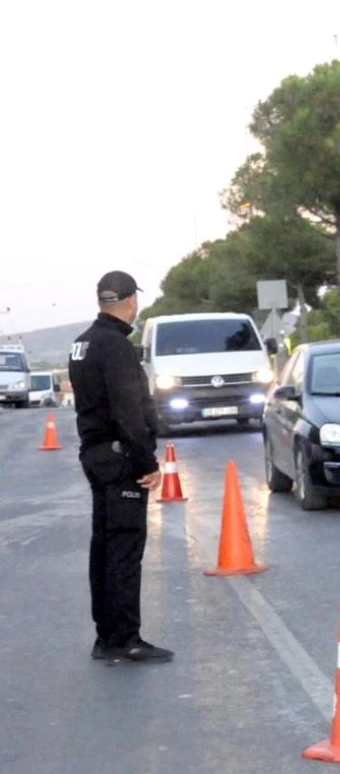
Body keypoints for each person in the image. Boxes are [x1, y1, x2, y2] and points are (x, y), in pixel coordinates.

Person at [70, 271, 174, 664]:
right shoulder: (116, 346)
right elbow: (128, 410)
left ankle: (106, 637)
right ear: (131, 302)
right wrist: (147, 461)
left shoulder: (82, 344)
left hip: (94, 454)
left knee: (104, 547)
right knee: (126, 549)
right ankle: (126, 638)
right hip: (120, 458)